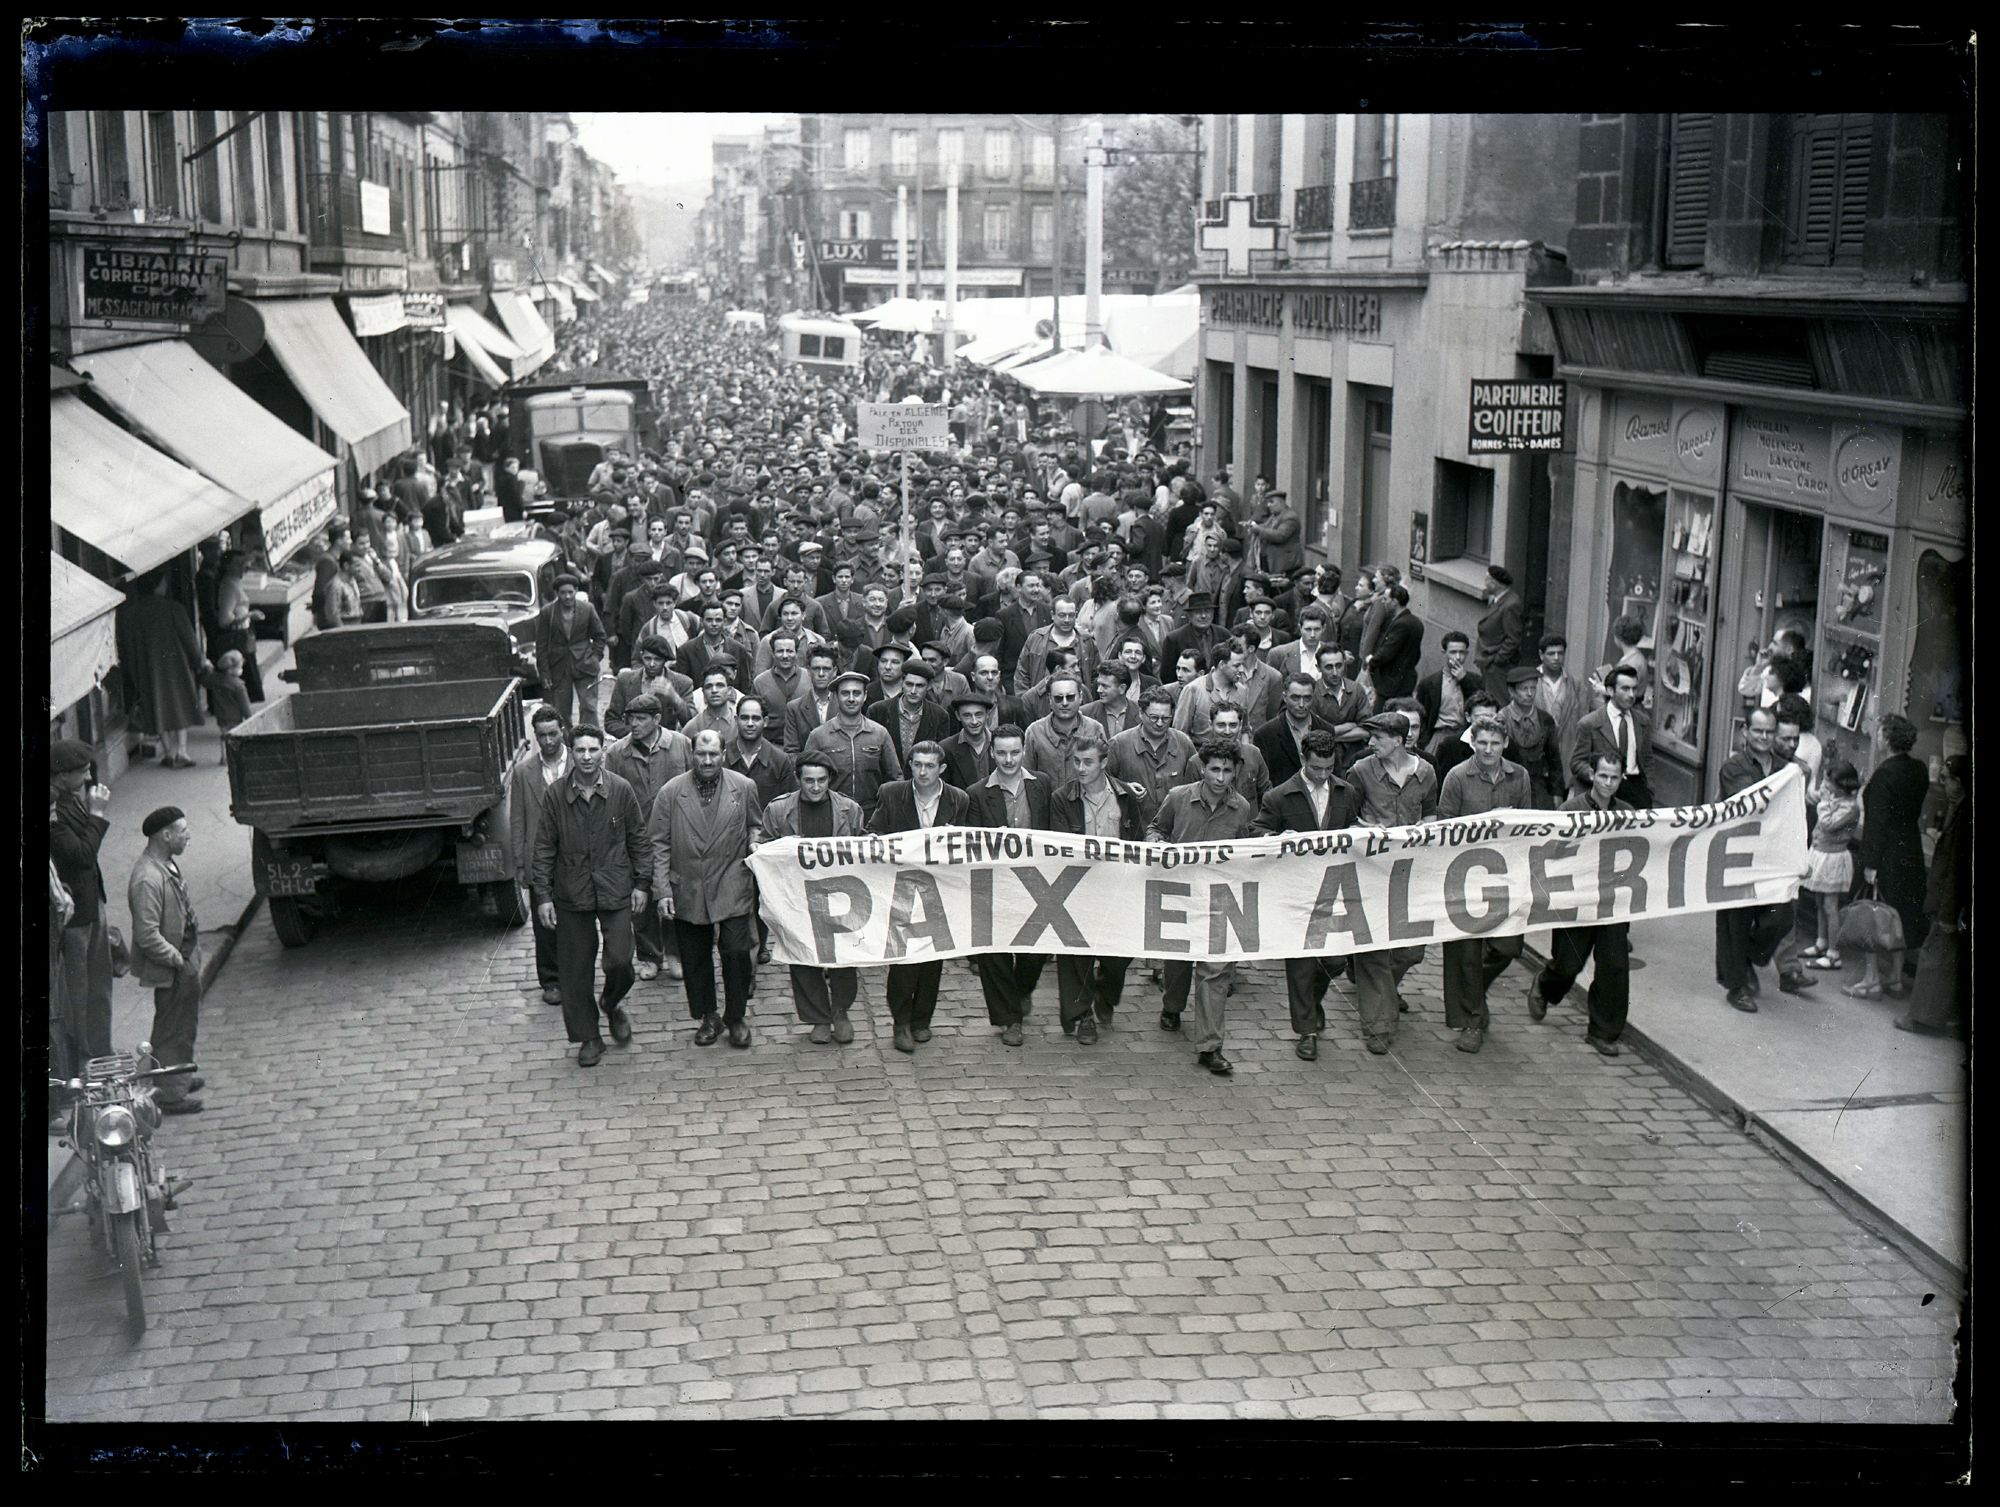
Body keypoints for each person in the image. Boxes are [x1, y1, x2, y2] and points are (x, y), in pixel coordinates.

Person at [529, 724, 650, 1068]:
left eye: (593, 750)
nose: (586, 757)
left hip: (615, 888)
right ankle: (589, 1037)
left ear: (603, 752)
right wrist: (543, 896)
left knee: (621, 960)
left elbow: (638, 839)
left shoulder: (621, 791)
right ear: (572, 752)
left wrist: (642, 884)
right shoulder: (555, 795)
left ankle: (611, 1003)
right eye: (580, 751)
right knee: (575, 969)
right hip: (572, 891)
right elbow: (543, 849)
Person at [1148, 738, 1260, 1076]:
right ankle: (1172, 1005)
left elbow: (1244, 849)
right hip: (1181, 892)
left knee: (1215, 970)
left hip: (1219, 897)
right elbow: (1156, 828)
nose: (1221, 777)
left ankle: (1210, 1047)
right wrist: (1156, 844)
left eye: (1227, 770)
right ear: (1202, 767)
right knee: (1179, 961)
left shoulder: (1240, 807)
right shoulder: (1178, 797)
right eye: (1215, 769)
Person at [651, 729, 765, 1049]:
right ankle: (708, 1015)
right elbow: (658, 842)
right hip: (688, 882)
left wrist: (756, 841)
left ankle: (737, 1016)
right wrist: (663, 890)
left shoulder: (743, 788)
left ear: (724, 754)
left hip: (731, 877)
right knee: (695, 956)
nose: (707, 760)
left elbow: (756, 824)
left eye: (713, 754)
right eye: (701, 754)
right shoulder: (672, 792)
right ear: (691, 755)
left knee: (736, 951)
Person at [1253, 730, 1361, 1062]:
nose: (1323, 775)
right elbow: (1256, 832)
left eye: (1329, 768)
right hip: (1295, 894)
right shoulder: (1279, 797)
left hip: (1334, 890)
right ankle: (1306, 1031)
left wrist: (1360, 832)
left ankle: (1312, 1004)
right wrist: (1276, 837)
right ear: (1304, 760)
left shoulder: (1346, 792)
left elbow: (1353, 824)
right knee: (1300, 964)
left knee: (1335, 960)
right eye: (1317, 768)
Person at [1527, 752, 1635, 1057]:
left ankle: (1603, 1032)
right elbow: (1551, 852)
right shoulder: (1570, 810)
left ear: (1621, 779)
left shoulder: (1627, 813)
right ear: (1593, 774)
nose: (1608, 782)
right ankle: (1545, 985)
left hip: (1611, 902)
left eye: (1614, 777)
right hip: (1575, 901)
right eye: (1603, 775)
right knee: (1568, 964)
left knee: (1614, 964)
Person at [1344, 712, 1440, 1053]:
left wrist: (1424, 830)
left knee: (1411, 950)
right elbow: (1345, 817)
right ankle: (1378, 1026)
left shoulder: (1425, 772)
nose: (1371, 744)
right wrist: (1364, 829)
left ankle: (1381, 988)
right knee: (1373, 947)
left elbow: (1431, 813)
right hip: (1371, 869)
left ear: (1398, 741)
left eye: (1378, 738)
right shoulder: (1360, 771)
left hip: (1409, 872)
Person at [1435, 719, 1533, 1053]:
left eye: (1494, 743)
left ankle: (1475, 991)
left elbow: (1526, 825)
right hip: (1465, 875)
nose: (1488, 749)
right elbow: (1444, 828)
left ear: (1505, 743)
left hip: (1504, 874)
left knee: (1507, 947)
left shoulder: (1519, 776)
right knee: (1464, 954)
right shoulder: (1457, 777)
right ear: (1472, 743)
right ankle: (1471, 1022)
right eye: (1482, 743)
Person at [1047, 731, 1151, 1043]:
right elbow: (1060, 844)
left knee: (1119, 954)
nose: (1080, 768)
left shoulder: (1125, 796)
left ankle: (1106, 991)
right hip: (1079, 887)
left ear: (1104, 763)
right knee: (1075, 954)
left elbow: (1137, 836)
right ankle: (1082, 1017)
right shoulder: (1061, 798)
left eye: (1088, 762)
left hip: (1118, 885)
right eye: (1076, 761)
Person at [868, 742, 969, 1053]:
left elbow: (968, 846)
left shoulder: (958, 799)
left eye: (929, 765)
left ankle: (922, 1019)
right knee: (905, 957)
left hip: (939, 887)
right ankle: (901, 1020)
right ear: (909, 765)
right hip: (901, 885)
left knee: (933, 956)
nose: (922, 771)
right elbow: (875, 829)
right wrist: (871, 839)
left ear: (942, 769)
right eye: (917, 764)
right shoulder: (891, 793)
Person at [758, 753, 865, 1044]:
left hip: (840, 894)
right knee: (802, 956)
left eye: (821, 780)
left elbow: (862, 845)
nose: (815, 787)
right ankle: (818, 1016)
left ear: (830, 779)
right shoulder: (780, 810)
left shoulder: (849, 809)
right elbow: (765, 842)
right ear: (798, 779)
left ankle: (841, 1010)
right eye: (809, 781)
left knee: (843, 957)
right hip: (796, 895)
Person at [1712, 706, 1813, 1013]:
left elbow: (1796, 816)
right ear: (1746, 732)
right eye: (1758, 730)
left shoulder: (1788, 769)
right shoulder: (1734, 767)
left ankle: (1746, 959)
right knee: (1736, 923)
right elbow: (1749, 806)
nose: (1764, 737)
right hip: (1740, 856)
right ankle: (1737, 987)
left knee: (1779, 918)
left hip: (1774, 859)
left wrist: (1800, 857)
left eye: (1770, 731)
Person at [963, 724, 1053, 1047]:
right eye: (1001, 752)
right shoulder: (977, 792)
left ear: (1024, 751)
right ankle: (1009, 1018)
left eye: (1015, 752)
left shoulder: (1041, 784)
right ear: (992, 753)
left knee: (1035, 952)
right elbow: (972, 840)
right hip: (995, 882)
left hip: (1036, 881)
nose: (1009, 759)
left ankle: (1023, 988)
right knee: (995, 953)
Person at [603, 693, 694, 983]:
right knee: (640, 899)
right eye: (630, 719)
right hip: (636, 838)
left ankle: (675, 953)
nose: (634, 725)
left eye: (641, 719)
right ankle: (648, 955)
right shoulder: (618, 753)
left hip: (676, 833)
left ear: (657, 719)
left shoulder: (680, 744)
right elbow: (611, 795)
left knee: (674, 895)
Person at [126, 806, 206, 1112]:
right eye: (183, 832)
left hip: (185, 958)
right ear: (166, 835)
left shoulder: (166, 864)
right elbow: (147, 935)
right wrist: (176, 959)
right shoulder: (147, 878)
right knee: (173, 1027)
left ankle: (178, 1075)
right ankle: (170, 1094)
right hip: (174, 965)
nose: (188, 836)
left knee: (183, 1023)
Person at [49, 739, 115, 1079]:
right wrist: (98, 815)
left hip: (92, 904)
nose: (89, 773)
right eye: (82, 770)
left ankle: (103, 1055)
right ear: (61, 775)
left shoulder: (70, 799)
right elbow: (80, 856)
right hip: (74, 920)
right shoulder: (54, 811)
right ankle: (86, 1063)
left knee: (100, 987)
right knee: (78, 997)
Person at [1856, 712, 1930, 989]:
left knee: (1874, 914)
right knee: (1901, 914)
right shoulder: (1919, 769)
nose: (1877, 737)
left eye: (1879, 733)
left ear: (1887, 739)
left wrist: (1870, 862)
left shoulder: (1885, 773)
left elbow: (1876, 823)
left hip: (1885, 851)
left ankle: (1871, 977)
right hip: (1910, 847)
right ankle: (1896, 977)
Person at [508, 706, 574, 1006]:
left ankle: (576, 974)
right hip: (541, 858)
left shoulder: (580, 762)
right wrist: (521, 863)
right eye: (542, 735)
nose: (548, 741)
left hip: (576, 857)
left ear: (563, 731)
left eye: (553, 734)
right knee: (544, 922)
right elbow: (518, 818)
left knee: (576, 919)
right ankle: (551, 979)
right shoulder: (524, 772)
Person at [1896, 753, 1966, 1037]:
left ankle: (1922, 1017)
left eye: (1947, 779)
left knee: (1933, 959)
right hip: (1950, 902)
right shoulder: (1958, 808)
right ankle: (1945, 1017)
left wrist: (1948, 912)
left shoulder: (1963, 815)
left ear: (1960, 782)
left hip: (1950, 905)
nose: (1943, 783)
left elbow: (1958, 871)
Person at [118, 569, 209, 768]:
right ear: (159, 585)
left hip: (146, 668)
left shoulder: (132, 613)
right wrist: (199, 663)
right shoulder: (173, 608)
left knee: (156, 707)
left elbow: (127, 648)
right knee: (180, 705)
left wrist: (133, 673)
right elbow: (190, 641)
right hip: (176, 667)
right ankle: (182, 751)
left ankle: (168, 752)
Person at [802, 669, 903, 820]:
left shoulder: (879, 733)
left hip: (872, 813)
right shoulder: (819, 735)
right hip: (831, 814)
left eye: (856, 693)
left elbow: (895, 778)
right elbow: (804, 779)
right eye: (845, 693)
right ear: (835, 697)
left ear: (865, 696)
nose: (851, 699)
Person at [1798, 760, 1863, 974]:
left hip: (1834, 858)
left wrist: (1824, 802)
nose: (1825, 784)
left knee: (1830, 905)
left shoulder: (1851, 807)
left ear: (1841, 785)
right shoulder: (1834, 798)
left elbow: (1827, 824)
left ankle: (1833, 954)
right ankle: (1821, 942)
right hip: (1821, 854)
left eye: (1829, 781)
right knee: (1819, 900)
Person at [1571, 664, 1654, 808]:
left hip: (1635, 790)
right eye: (1625, 689)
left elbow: (1647, 760)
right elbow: (1577, 762)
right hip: (1603, 791)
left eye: (1634, 689)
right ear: (1610, 690)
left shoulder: (1642, 721)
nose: (1632, 695)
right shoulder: (1589, 723)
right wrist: (1601, 777)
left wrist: (1649, 790)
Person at [534, 573, 609, 732]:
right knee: (561, 710)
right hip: (559, 667)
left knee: (589, 707)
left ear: (576, 590)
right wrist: (545, 673)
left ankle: (589, 738)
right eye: (563, 593)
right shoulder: (548, 612)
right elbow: (540, 645)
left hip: (585, 664)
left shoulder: (587, 609)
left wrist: (595, 657)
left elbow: (600, 636)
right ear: (557, 593)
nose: (567, 596)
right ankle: (567, 744)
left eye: (570, 592)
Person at [1499, 666, 1562, 808]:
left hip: (1539, 786)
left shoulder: (1545, 720)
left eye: (1533, 688)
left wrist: (1557, 793)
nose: (1529, 694)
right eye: (1524, 689)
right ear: (1511, 691)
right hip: (1508, 785)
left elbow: (1554, 759)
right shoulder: (1501, 720)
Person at [212, 550, 267, 703]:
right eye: (238, 564)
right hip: (237, 637)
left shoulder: (235, 581)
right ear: (228, 566)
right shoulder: (228, 585)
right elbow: (224, 619)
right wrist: (249, 615)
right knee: (245, 684)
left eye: (244, 563)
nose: (244, 567)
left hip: (243, 634)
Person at [1533, 633, 1588, 779]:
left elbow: (1583, 723)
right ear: (1541, 654)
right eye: (1551, 653)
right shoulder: (1530, 683)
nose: (1556, 658)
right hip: (1537, 754)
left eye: (1560, 653)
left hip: (1566, 754)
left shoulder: (1576, 685)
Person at [1473, 564, 1525, 701]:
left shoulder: (1510, 604)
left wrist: (1497, 661)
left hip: (1497, 665)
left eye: (1487, 580)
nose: (1484, 584)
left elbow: (1513, 638)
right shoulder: (1499, 599)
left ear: (1495, 583)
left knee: (1498, 700)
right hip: (1489, 661)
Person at [1366, 583, 1424, 705]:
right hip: (1405, 680)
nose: (1383, 602)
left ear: (1395, 602)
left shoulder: (1401, 624)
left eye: (1386, 599)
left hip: (1391, 683)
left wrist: (1372, 661)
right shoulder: (1415, 622)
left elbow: (1387, 652)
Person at [201, 648, 253, 760]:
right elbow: (245, 705)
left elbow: (206, 680)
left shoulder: (215, 680)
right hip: (235, 717)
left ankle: (224, 756)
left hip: (221, 715)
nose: (241, 669)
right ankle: (234, 756)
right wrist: (250, 718)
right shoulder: (239, 686)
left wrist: (207, 667)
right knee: (235, 737)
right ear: (232, 669)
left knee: (224, 735)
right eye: (240, 667)